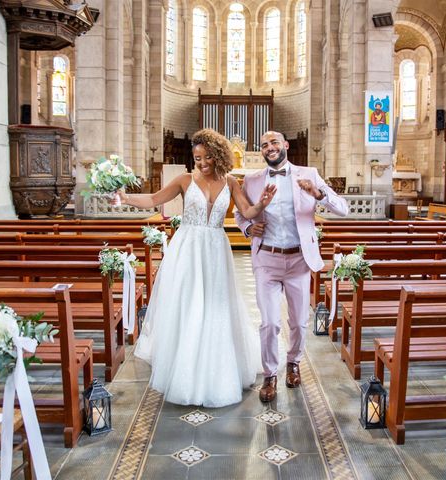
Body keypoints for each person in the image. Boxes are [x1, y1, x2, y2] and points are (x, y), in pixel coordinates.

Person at [119, 128, 277, 408]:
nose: (201, 163)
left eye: (205, 157)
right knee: (190, 304)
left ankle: (215, 368)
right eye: (196, 158)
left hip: (216, 248)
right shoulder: (184, 180)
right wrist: (126, 198)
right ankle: (186, 370)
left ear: (217, 155)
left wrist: (262, 203)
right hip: (187, 248)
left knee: (216, 306)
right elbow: (154, 200)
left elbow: (247, 211)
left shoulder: (230, 182)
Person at [235, 131, 348, 402]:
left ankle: (294, 362)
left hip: (299, 259)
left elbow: (343, 208)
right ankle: (270, 374)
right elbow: (240, 214)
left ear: (285, 145)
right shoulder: (251, 180)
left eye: (274, 143)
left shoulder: (308, 173)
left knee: (298, 321)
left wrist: (318, 193)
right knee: (269, 323)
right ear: (260, 151)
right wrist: (249, 227)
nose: (269, 148)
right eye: (264, 145)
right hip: (267, 259)